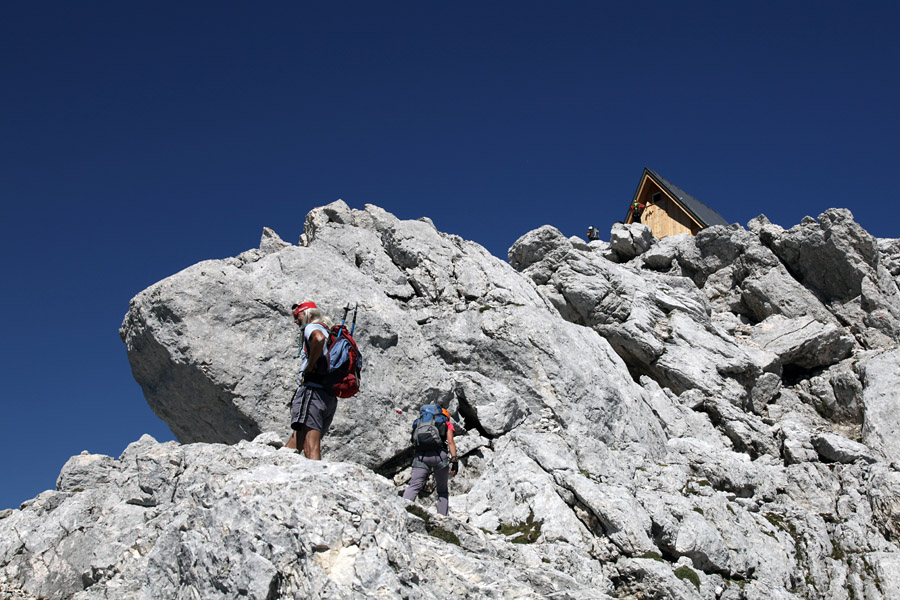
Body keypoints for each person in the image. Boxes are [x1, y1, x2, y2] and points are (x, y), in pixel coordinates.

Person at [285, 301, 337, 460]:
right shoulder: (330, 332)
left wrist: (309, 367)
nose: (295, 321)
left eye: (297, 316)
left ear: (308, 314)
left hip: (313, 393)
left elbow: (318, 339)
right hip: (328, 396)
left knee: (311, 448)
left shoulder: (312, 328)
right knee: (295, 445)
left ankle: (318, 483)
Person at [402, 404, 459, 516]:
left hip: (421, 456)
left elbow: (413, 440)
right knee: (442, 491)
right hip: (439, 457)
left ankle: (401, 511)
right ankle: (442, 519)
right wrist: (454, 461)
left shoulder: (419, 422)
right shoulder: (446, 423)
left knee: (414, 486)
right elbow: (451, 442)